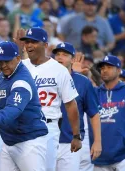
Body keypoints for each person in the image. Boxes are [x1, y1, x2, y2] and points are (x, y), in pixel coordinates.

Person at [0, 41, 48, 171]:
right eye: (1, 62)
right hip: (9, 141)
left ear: (18, 58)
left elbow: (12, 111)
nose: (3, 65)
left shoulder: (22, 81)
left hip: (29, 142)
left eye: (7, 61)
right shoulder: (5, 74)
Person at [16, 27, 81, 171]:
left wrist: (76, 135)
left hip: (47, 127)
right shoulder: (20, 67)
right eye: (27, 42)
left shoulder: (59, 70)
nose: (29, 45)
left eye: (34, 42)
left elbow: (71, 105)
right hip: (20, 126)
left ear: (45, 45)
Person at [52, 42, 102, 171]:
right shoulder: (45, 77)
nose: (60, 57)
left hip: (70, 142)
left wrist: (97, 141)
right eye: (57, 54)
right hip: (47, 139)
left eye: (65, 55)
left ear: (73, 59)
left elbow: (94, 114)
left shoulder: (83, 82)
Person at [93, 55, 125, 171]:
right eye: (102, 68)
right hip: (101, 156)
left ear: (119, 70)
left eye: (109, 67)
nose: (105, 70)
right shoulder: (95, 93)